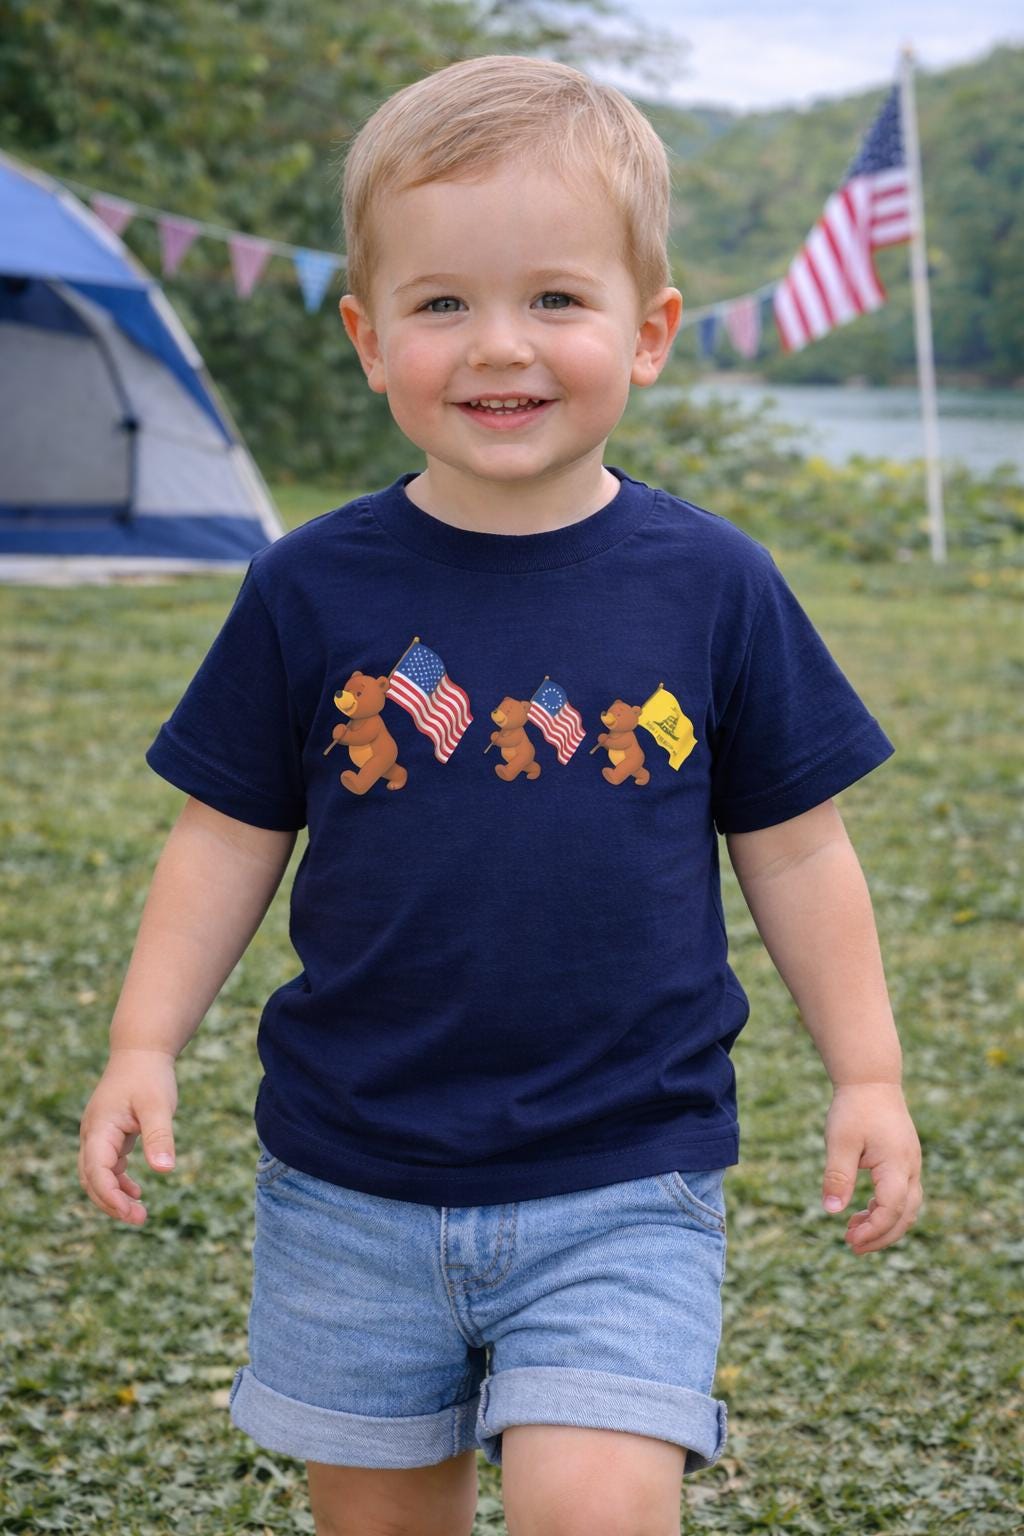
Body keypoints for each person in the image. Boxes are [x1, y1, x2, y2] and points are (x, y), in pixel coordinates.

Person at [78, 53, 924, 1536]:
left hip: (625, 1178)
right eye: (442, 304)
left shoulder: (716, 586)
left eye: (555, 297)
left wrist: (869, 1074)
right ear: (367, 336)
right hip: (350, 1176)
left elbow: (797, 853)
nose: (498, 346)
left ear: (648, 332)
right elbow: (226, 836)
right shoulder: (305, 588)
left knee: (597, 1509)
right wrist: (144, 1042)